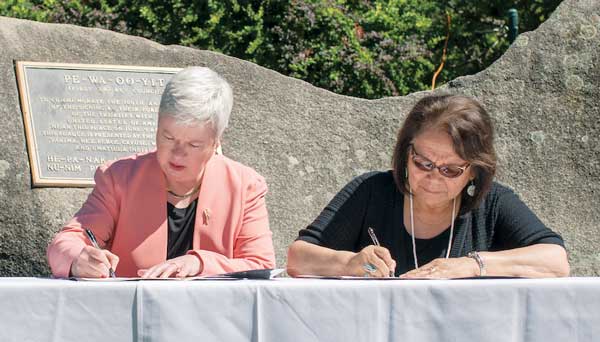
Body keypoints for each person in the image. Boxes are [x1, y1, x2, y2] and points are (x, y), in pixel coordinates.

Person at [287, 94, 569, 279]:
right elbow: (298, 258)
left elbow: (556, 261)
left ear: (474, 171)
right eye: (423, 163)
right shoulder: (371, 191)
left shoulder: (494, 203)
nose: (434, 177)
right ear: (405, 153)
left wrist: (470, 265)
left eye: (451, 169)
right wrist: (349, 263)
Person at [48, 67, 276, 278]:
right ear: (157, 126)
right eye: (168, 138)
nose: (177, 154)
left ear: (216, 142)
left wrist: (199, 264)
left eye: (193, 145)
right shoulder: (119, 178)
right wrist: (79, 259)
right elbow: (65, 242)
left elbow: (261, 264)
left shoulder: (245, 186)